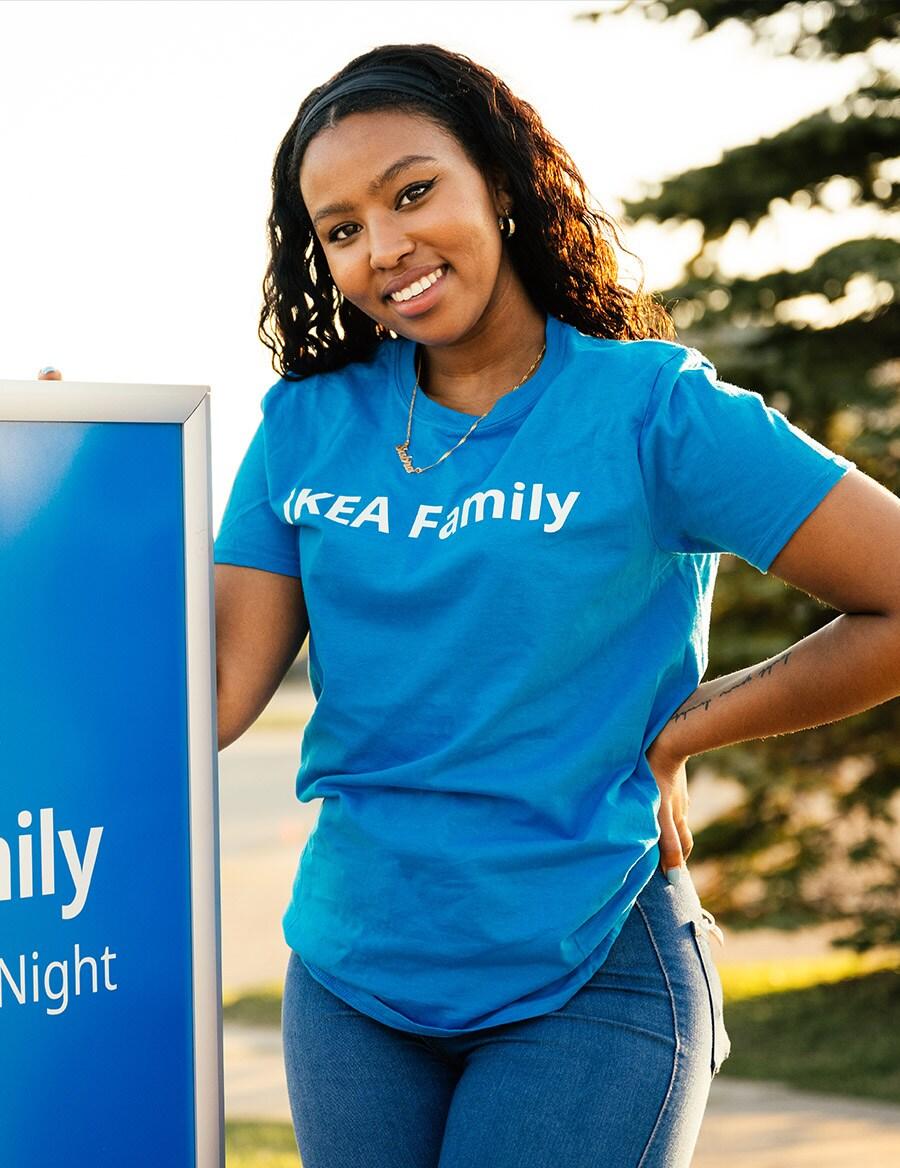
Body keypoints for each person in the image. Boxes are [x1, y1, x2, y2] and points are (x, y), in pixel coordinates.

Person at [40, 41, 900, 1168]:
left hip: (590, 964)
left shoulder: (652, 410)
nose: (383, 247)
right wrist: (73, 491)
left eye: (411, 193)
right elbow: (211, 694)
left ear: (499, 180)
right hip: (352, 981)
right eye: (341, 229)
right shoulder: (306, 424)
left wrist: (686, 728)